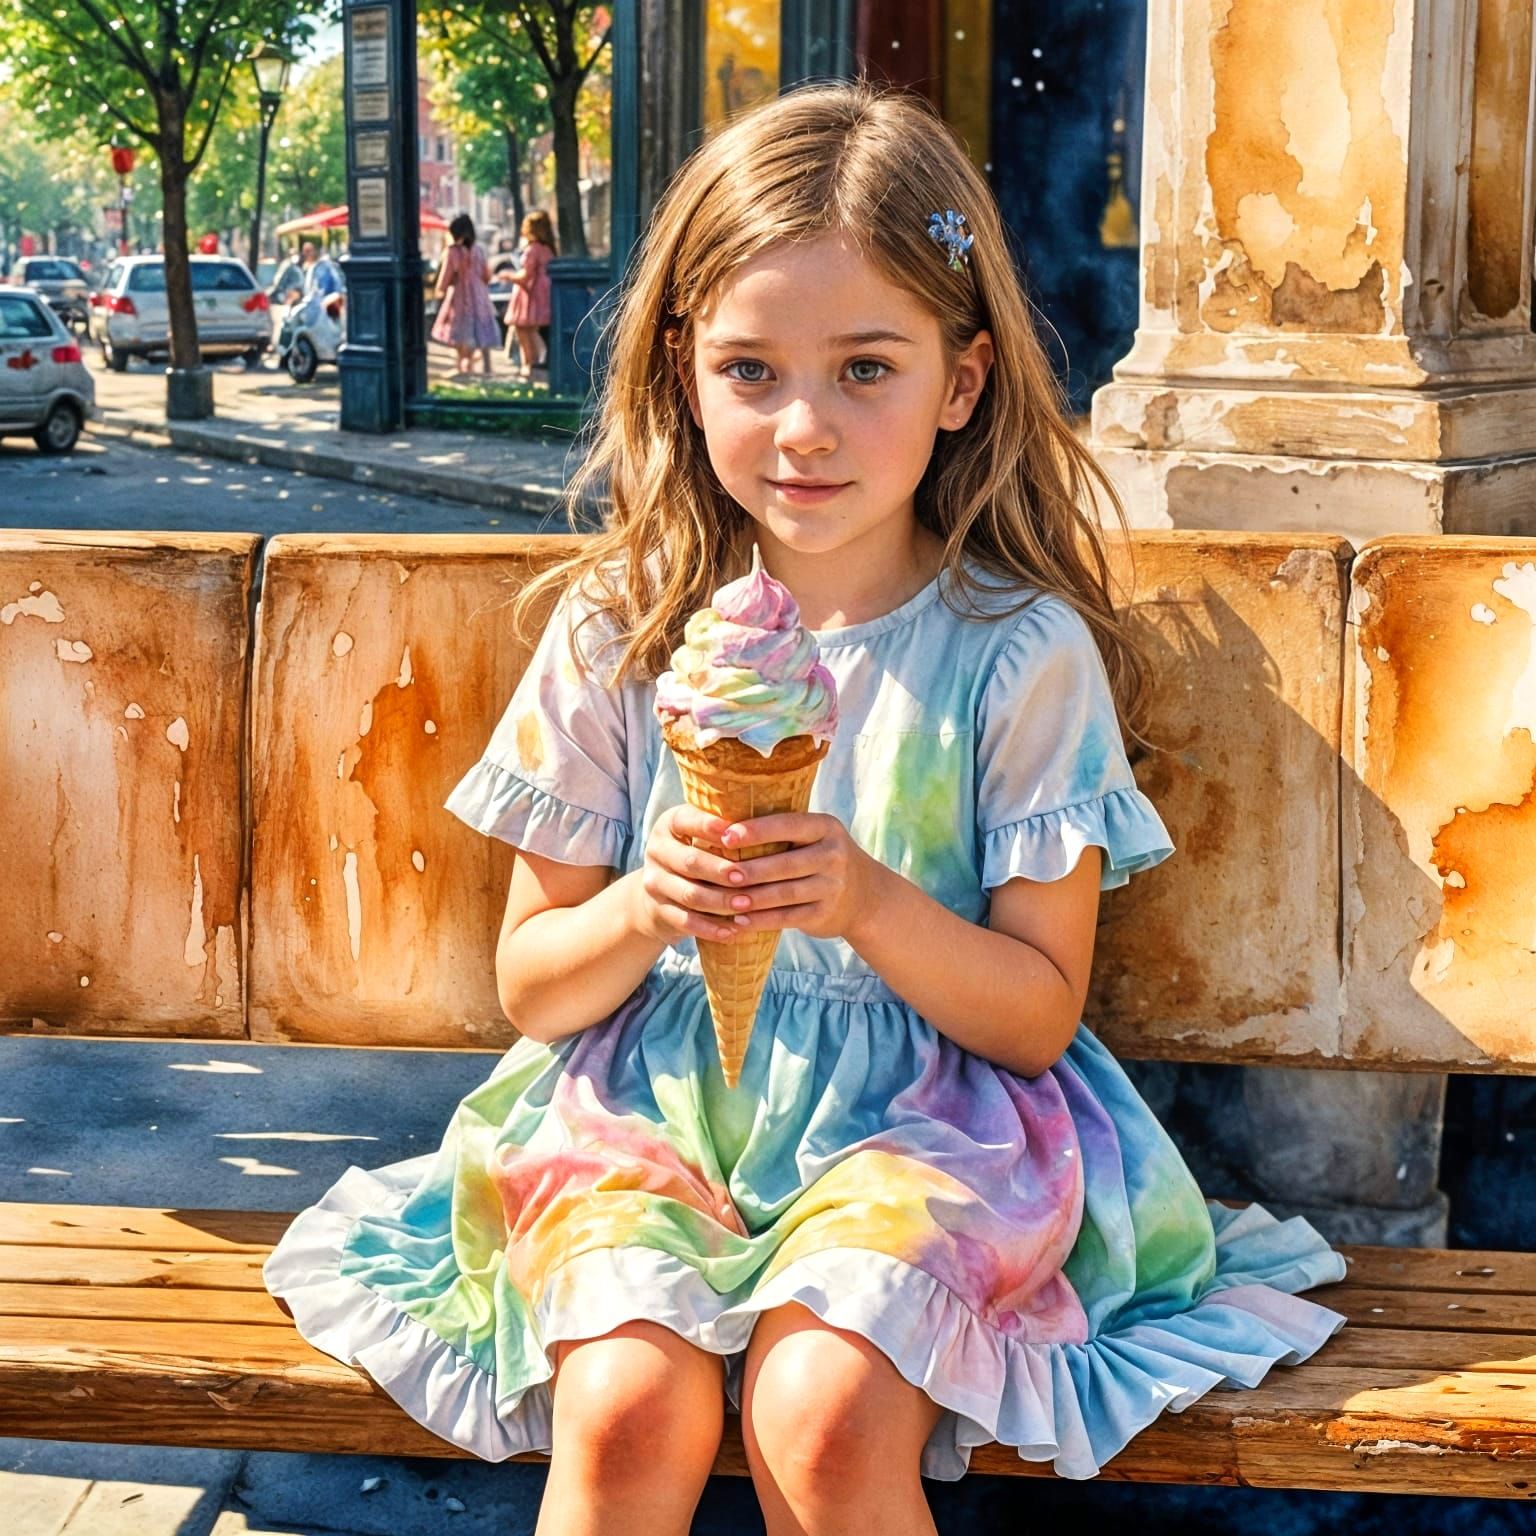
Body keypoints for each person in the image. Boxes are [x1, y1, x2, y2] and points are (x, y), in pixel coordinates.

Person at [265, 83, 1348, 1534]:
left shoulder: (1014, 653)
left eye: (865, 369)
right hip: (649, 1119)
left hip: (928, 1132)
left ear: (960, 381)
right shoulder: (620, 631)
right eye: (752, 370)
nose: (804, 426)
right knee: (626, 1407)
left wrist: (865, 902)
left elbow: (1036, 1014)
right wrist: (651, 902)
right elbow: (531, 982)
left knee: (824, 1416)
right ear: (683, 372)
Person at [431, 212, 500, 375]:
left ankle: (462, 366)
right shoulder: (479, 250)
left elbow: (445, 277)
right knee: (482, 326)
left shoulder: (452, 252)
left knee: (459, 329)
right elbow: (487, 275)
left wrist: (439, 290)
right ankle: (487, 367)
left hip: (460, 296)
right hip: (479, 294)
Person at [502, 208, 554, 379]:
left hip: (530, 294)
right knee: (532, 330)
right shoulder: (548, 249)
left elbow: (526, 275)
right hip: (543, 293)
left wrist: (508, 276)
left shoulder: (532, 249)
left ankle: (528, 366)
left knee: (523, 328)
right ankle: (532, 365)